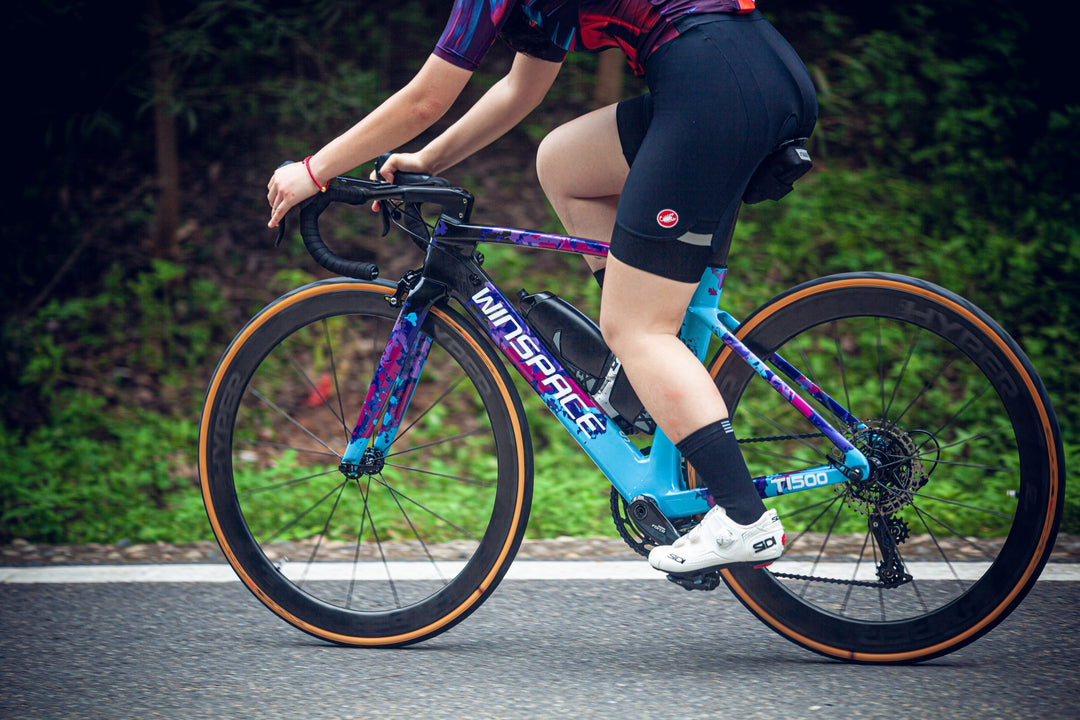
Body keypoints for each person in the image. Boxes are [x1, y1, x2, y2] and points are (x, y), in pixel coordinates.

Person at [266, 0, 817, 576]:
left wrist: (312, 170)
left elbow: (427, 97)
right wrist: (427, 159)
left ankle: (743, 518)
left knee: (636, 328)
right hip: (759, 69)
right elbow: (520, 89)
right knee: (565, 162)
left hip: (713, 84)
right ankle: (647, 382)